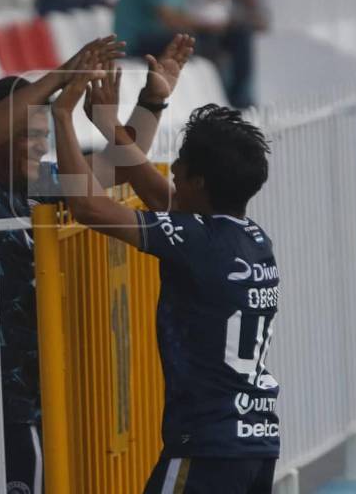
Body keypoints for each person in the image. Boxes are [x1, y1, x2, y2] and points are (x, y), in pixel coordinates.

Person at [0, 33, 195, 493]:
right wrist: (63, 75)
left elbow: (116, 167)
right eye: (26, 135)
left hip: (43, 389)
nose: (38, 146)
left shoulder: (38, 186)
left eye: (42, 136)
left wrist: (153, 100)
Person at [49, 59, 280, 493]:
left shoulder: (198, 240)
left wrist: (62, 117)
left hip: (207, 448)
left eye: (181, 165)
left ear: (201, 181)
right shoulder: (251, 239)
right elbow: (165, 201)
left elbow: (89, 207)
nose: (171, 170)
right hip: (255, 443)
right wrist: (114, 124)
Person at [115, 0, 256, 108]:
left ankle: (239, 99)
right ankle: (217, 102)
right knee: (196, 44)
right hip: (137, 41)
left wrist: (213, 26)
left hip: (157, 36)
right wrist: (208, 26)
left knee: (238, 35)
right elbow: (170, 19)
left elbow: (180, 15)